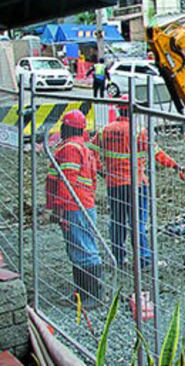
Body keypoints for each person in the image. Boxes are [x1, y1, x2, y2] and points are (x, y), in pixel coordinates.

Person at [91, 97, 185, 267]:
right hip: (136, 184)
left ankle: (118, 258)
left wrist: (101, 170)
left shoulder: (105, 130)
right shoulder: (138, 132)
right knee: (139, 223)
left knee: (117, 221)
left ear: (119, 110)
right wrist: (176, 166)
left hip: (114, 185)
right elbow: (157, 154)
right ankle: (143, 259)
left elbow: (91, 151)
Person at [46, 110, 103, 306]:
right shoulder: (83, 148)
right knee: (80, 247)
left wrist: (59, 209)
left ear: (66, 127)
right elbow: (93, 180)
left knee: (83, 249)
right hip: (83, 204)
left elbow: (66, 182)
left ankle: (92, 296)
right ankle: (82, 293)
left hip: (74, 206)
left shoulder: (70, 148)